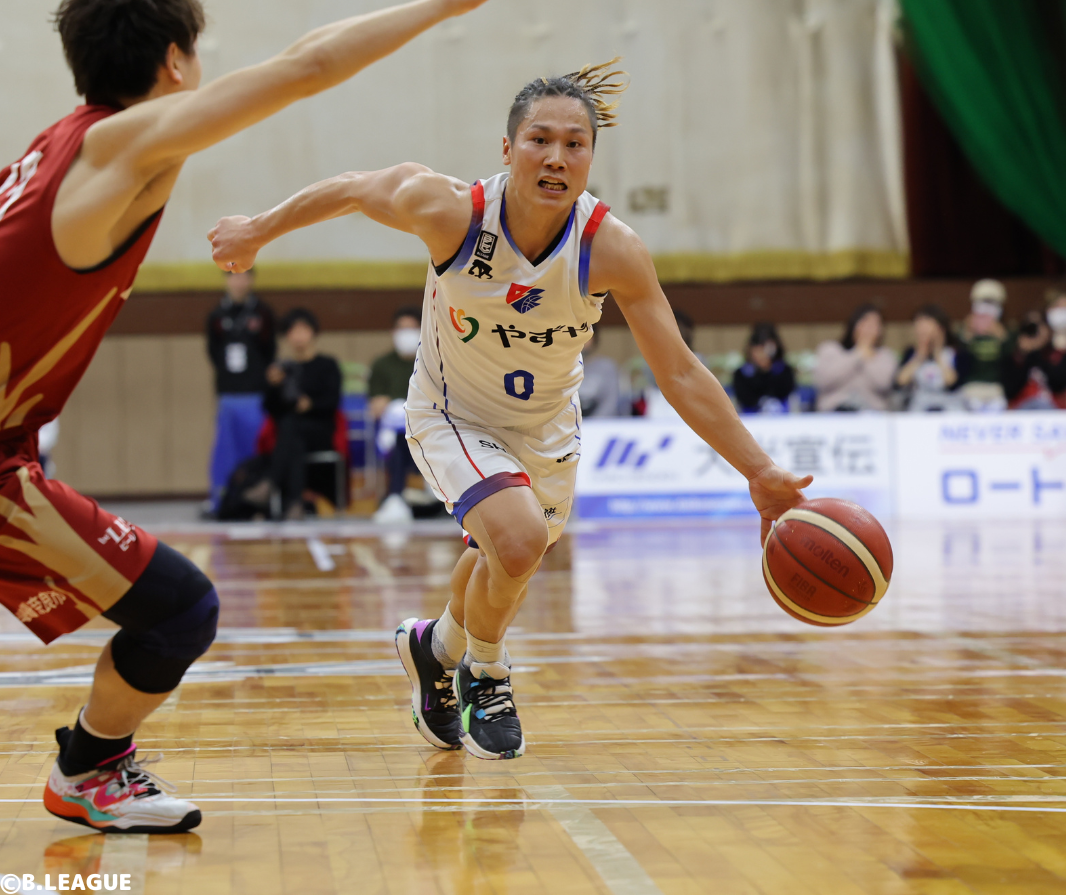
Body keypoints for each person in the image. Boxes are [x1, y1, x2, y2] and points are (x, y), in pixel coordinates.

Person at [0, 0, 530, 831]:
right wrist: (450, 1)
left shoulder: (55, 149)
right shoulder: (123, 146)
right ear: (177, 62)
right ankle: (88, 771)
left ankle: (92, 767)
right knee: (178, 610)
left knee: (175, 607)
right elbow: (306, 65)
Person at [208, 59, 813, 762]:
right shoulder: (451, 212)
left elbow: (677, 369)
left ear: (591, 158)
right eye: (539, 140)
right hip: (451, 412)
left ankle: (434, 649)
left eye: (575, 144)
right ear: (507, 148)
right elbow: (352, 188)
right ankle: (486, 674)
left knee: (504, 560)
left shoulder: (611, 249)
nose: (556, 158)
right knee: (519, 541)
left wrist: (759, 470)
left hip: (546, 428)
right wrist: (256, 230)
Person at [244, 309, 342, 519]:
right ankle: (295, 504)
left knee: (291, 429)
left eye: (303, 330)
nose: (298, 336)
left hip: (320, 431)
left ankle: (270, 484)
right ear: (287, 336)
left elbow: (332, 401)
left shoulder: (327, 365)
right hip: (290, 434)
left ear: (313, 333)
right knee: (292, 434)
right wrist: (272, 386)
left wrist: (311, 404)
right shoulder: (282, 368)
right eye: (293, 331)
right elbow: (269, 408)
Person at [205, 268, 276, 512]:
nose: (239, 281)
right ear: (226, 280)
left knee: (255, 447)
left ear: (251, 279)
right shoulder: (216, 315)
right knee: (225, 450)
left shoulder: (263, 313)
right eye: (233, 276)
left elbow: (269, 351)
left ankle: (255, 500)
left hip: (255, 395)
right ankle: (222, 501)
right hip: (228, 394)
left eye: (244, 275)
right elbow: (214, 352)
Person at [368, 307, 425, 522]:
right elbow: (376, 406)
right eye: (402, 329)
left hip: (427, 426)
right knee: (400, 439)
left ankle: (404, 495)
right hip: (394, 433)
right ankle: (395, 496)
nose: (406, 334)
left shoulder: (432, 361)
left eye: (412, 328)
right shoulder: (382, 364)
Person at [814, 304, 897, 412]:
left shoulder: (885, 355)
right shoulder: (830, 349)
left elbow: (884, 384)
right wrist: (858, 353)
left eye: (875, 324)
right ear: (853, 324)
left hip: (873, 414)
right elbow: (823, 381)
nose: (869, 329)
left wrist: (868, 354)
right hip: (833, 414)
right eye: (864, 322)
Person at [895, 304, 969, 411]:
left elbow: (952, 382)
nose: (922, 330)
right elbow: (901, 381)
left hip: (949, 407)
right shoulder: (911, 353)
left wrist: (938, 352)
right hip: (920, 408)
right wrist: (920, 356)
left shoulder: (955, 352)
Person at [1002, 310, 1066, 410]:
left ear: (1048, 329)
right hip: (1021, 409)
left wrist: (1039, 352)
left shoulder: (1062, 356)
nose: (1034, 332)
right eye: (1030, 328)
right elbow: (1010, 392)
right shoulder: (1013, 358)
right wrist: (1025, 354)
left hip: (1055, 409)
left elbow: (1059, 386)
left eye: (1038, 326)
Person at [956, 278, 1009, 410]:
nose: (986, 310)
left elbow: (1011, 364)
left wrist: (1003, 338)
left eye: (991, 304)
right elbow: (959, 365)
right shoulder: (965, 332)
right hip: (971, 387)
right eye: (982, 303)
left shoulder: (1006, 333)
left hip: (995, 388)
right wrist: (966, 337)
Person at [732, 323, 795, 413]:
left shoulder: (784, 371)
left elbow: (786, 392)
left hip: (781, 416)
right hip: (750, 417)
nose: (762, 354)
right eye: (757, 350)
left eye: (765, 349)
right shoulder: (741, 374)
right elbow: (744, 398)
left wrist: (767, 370)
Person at [578, 326, 625, 417]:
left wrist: (595, 423)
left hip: (600, 423)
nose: (581, 341)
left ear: (594, 338)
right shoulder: (559, 368)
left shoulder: (606, 367)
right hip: (568, 423)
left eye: (586, 336)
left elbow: (611, 402)